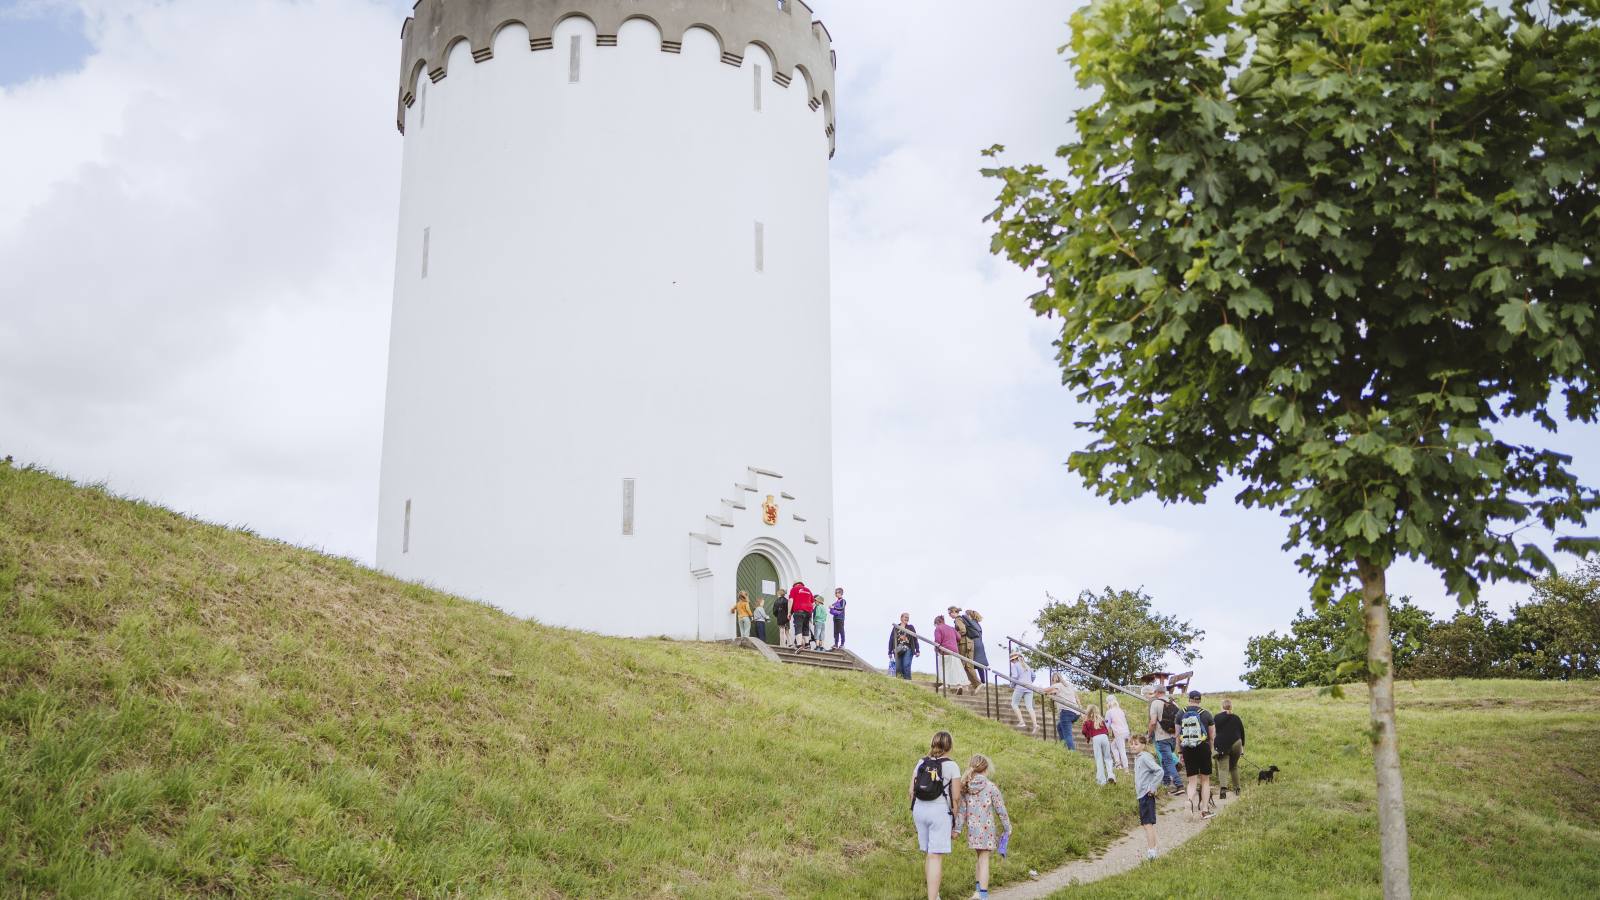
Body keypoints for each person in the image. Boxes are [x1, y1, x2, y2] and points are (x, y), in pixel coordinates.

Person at [909, 731, 961, 900]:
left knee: (929, 854)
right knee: (935, 856)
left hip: (919, 810)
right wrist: (955, 820)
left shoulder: (921, 762)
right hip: (939, 812)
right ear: (950, 746)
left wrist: (918, 809)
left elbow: (911, 791)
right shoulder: (952, 766)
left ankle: (935, 895)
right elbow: (956, 797)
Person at [954, 754, 1010, 900]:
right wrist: (1007, 828)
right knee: (984, 860)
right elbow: (1001, 810)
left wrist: (957, 829)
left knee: (979, 859)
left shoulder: (966, 786)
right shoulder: (990, 787)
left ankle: (977, 892)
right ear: (985, 770)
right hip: (987, 831)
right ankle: (983, 895)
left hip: (973, 831)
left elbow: (961, 811)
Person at [1178, 689, 1217, 819]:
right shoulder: (1207, 714)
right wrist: (1211, 750)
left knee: (1192, 781)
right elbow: (1212, 736)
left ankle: (1189, 802)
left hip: (1187, 748)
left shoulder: (1180, 713)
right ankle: (1204, 810)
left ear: (1189, 699)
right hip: (1203, 747)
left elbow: (1177, 735)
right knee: (1205, 780)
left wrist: (1180, 752)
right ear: (1200, 700)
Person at [1129, 734, 1162, 860]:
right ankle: (1154, 849)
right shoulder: (1138, 758)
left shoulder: (1144, 757)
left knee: (1147, 824)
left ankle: (1152, 852)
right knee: (1147, 824)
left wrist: (1152, 787)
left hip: (1146, 795)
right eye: (1131, 744)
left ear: (1143, 745)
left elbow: (1159, 771)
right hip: (1141, 795)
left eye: (1136, 744)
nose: (1133, 746)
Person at [1147, 684, 1185, 794]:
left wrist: (1149, 734)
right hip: (1173, 737)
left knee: (1168, 762)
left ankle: (1179, 785)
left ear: (1157, 692)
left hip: (1162, 737)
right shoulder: (1173, 703)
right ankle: (1166, 782)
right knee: (1164, 760)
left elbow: (1153, 722)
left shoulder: (1155, 703)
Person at [1212, 698, 1246, 795]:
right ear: (1231, 706)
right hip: (1237, 743)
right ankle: (1237, 789)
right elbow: (1242, 733)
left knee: (1223, 768)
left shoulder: (1217, 717)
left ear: (1222, 707)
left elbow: (1214, 733)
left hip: (1222, 744)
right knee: (1233, 767)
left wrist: (1214, 746)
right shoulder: (1236, 717)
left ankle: (1223, 789)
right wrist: (1242, 747)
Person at [949, 606, 982, 691]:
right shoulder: (963, 618)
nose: (949, 615)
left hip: (964, 644)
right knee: (968, 665)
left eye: (949, 613)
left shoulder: (958, 619)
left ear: (954, 612)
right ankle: (974, 684)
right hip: (970, 643)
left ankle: (973, 684)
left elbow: (963, 630)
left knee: (962, 664)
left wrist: (955, 635)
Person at [1046, 672, 1081, 750]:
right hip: (1076, 713)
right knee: (1059, 727)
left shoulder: (1057, 686)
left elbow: (1048, 691)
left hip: (1066, 713)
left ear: (1054, 680)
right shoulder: (1069, 685)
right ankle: (1064, 746)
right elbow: (1077, 697)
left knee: (1067, 734)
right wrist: (1080, 709)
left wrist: (1047, 693)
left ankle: (1072, 752)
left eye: (1052, 680)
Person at [1083, 705, 1115, 785]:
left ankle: (1101, 781)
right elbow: (1106, 730)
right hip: (1104, 737)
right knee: (1108, 757)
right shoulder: (1101, 720)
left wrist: (1088, 737)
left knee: (1099, 759)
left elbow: (1084, 731)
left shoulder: (1087, 721)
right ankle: (1110, 775)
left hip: (1096, 738)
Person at [1007, 652, 1038, 732]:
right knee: (1030, 707)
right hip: (1029, 687)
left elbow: (1014, 677)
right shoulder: (1027, 665)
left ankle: (1022, 722)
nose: (1012, 662)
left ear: (1014, 659)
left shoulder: (1015, 666)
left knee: (1014, 704)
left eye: (1011, 660)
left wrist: (1012, 685)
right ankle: (1035, 724)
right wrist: (1029, 682)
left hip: (1020, 687)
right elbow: (1034, 676)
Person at [933, 616, 965, 694]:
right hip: (955, 651)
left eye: (935, 624)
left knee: (944, 668)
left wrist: (936, 649)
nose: (935, 626)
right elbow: (959, 637)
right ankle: (959, 686)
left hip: (945, 651)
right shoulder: (951, 628)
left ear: (937, 622)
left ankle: (945, 684)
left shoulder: (938, 628)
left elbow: (937, 641)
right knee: (955, 669)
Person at [962, 609, 989, 683]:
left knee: (970, 663)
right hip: (979, 643)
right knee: (979, 663)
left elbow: (964, 618)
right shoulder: (977, 623)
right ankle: (982, 681)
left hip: (974, 643)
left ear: (969, 615)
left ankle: (974, 681)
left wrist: (962, 616)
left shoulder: (972, 622)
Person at [889, 613, 919, 679]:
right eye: (905, 617)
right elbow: (891, 639)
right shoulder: (896, 627)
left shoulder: (910, 627)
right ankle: (900, 682)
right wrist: (890, 651)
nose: (907, 618)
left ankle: (908, 682)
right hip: (898, 649)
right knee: (898, 668)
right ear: (901, 618)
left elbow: (915, 639)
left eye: (908, 617)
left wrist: (917, 650)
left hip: (908, 648)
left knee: (906, 665)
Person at [1105, 695, 1131, 771]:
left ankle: (1126, 769)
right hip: (1126, 731)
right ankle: (1118, 764)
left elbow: (1107, 725)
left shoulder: (1109, 712)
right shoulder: (1120, 710)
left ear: (1108, 703)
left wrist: (1105, 733)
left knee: (1122, 750)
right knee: (1113, 745)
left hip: (1119, 733)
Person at [789, 582, 815, 648]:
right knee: (806, 627)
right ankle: (807, 644)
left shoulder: (794, 589)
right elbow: (813, 603)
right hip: (808, 612)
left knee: (798, 627)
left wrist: (789, 612)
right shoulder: (808, 590)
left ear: (795, 585)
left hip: (799, 611)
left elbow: (791, 600)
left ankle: (799, 645)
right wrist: (810, 610)